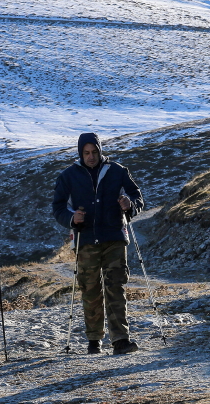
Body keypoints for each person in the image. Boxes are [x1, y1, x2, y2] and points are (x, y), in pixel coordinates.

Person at [52, 132, 144, 355]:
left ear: (100, 151)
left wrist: (129, 204)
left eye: (94, 152)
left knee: (116, 287)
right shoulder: (68, 176)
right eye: (86, 153)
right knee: (90, 289)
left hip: (114, 237)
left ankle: (120, 340)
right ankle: (94, 340)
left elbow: (137, 196)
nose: (91, 157)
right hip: (85, 240)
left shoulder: (117, 171)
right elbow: (58, 207)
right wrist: (72, 219)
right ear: (80, 153)